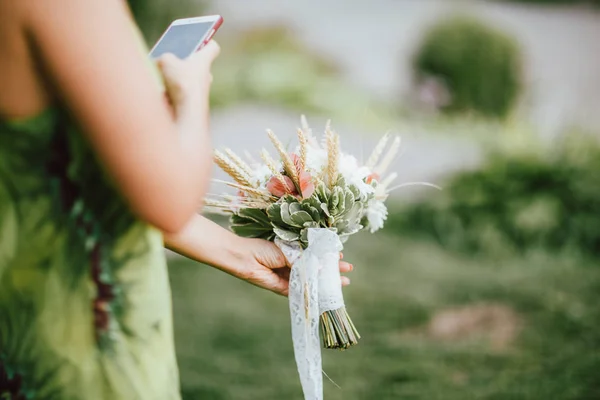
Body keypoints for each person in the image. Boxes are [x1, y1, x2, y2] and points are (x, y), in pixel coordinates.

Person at [0, 0, 353, 398]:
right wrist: (191, 90)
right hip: (77, 324)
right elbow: (170, 197)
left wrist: (234, 252)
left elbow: (77, 172)